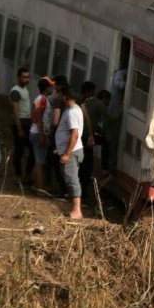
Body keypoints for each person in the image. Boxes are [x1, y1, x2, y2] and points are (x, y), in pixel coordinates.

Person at [56, 87, 85, 219]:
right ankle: (74, 207)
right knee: (70, 177)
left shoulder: (72, 112)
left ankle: (77, 210)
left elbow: (74, 134)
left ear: (65, 97)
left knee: (72, 178)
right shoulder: (74, 109)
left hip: (72, 151)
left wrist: (67, 153)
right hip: (72, 149)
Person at [8, 67, 34, 185]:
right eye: (24, 77)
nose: (26, 79)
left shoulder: (24, 89)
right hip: (21, 124)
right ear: (19, 77)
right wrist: (19, 129)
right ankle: (18, 177)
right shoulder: (15, 91)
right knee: (19, 151)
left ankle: (26, 176)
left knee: (32, 151)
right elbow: (15, 111)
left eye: (28, 77)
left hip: (27, 123)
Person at [29, 76, 56, 191]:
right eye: (51, 86)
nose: (53, 88)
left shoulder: (40, 99)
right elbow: (39, 117)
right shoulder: (43, 100)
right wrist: (42, 135)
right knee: (40, 162)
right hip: (38, 133)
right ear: (46, 88)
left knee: (39, 160)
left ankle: (35, 184)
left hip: (36, 132)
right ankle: (39, 187)